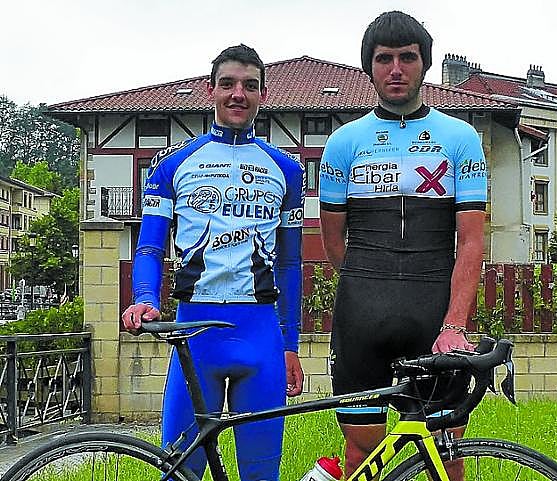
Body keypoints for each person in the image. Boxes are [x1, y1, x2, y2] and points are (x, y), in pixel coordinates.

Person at [121, 44, 305, 481]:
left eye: (250, 85)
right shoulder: (173, 164)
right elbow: (149, 248)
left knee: (261, 476)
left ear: (263, 94)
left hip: (260, 336)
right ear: (211, 90)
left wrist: (291, 344)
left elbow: (290, 264)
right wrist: (145, 298)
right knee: (180, 472)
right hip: (195, 334)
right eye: (228, 84)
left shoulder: (287, 169)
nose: (238, 94)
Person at [319, 11, 486, 481]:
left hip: (432, 312)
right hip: (361, 316)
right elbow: (333, 242)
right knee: (361, 454)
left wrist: (454, 324)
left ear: (425, 64)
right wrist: (366, 280)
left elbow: (472, 242)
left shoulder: (460, 138)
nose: (396, 69)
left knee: (446, 454)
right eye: (384, 58)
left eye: (407, 58)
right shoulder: (344, 142)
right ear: (369, 67)